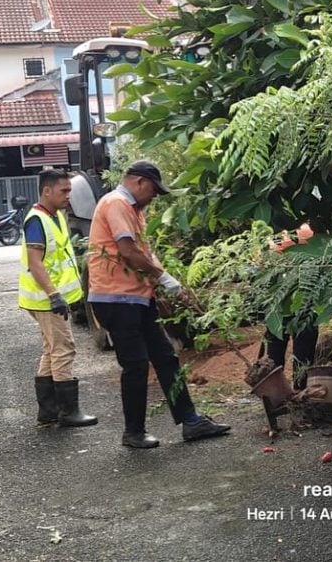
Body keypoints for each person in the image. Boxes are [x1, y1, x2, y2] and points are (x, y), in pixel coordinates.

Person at [87, 160, 230, 449]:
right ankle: (133, 432)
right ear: (139, 182)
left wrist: (167, 282)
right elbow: (127, 252)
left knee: (165, 357)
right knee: (136, 364)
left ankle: (191, 421)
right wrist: (164, 278)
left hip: (137, 297)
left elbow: (144, 253)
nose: (154, 196)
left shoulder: (134, 210)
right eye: (153, 189)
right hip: (116, 299)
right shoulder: (116, 203)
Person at [21, 168, 97, 428]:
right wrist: (55, 295)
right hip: (46, 300)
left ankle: (48, 412)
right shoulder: (37, 220)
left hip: (47, 299)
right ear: (47, 191)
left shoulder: (55, 216)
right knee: (64, 350)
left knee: (51, 350)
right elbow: (35, 263)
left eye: (69, 191)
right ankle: (68, 412)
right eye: (64, 191)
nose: (68, 196)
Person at [265, 223, 319, 389]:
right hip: (286, 303)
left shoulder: (279, 234)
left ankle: (280, 392)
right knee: (296, 352)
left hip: (294, 302)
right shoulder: (307, 232)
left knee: (285, 352)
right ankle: (292, 390)